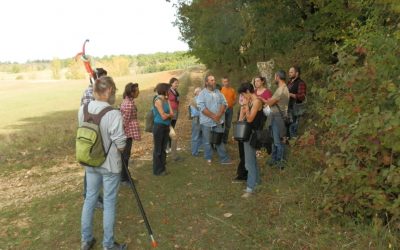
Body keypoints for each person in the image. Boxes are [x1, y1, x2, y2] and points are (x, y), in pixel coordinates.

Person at [79, 76, 127, 250]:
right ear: (107, 91)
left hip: (90, 163)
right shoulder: (113, 113)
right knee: (108, 203)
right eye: (113, 91)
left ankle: (86, 239)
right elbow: (121, 145)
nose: (114, 94)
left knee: (89, 199)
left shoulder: (83, 109)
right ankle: (108, 245)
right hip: (109, 166)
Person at [80, 67, 108, 209]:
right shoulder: (89, 92)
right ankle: (90, 196)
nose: (104, 82)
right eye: (102, 79)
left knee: (97, 165)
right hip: (91, 135)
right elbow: (89, 115)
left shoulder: (98, 93)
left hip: (99, 134)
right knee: (91, 166)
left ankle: (94, 194)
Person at [197, 75, 231, 165]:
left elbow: (224, 103)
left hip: (218, 121)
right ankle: (208, 157)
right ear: (206, 82)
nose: (214, 82)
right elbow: (202, 108)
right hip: (207, 122)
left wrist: (219, 115)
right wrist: (213, 116)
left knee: (219, 140)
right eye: (211, 80)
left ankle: (224, 159)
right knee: (207, 141)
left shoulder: (218, 92)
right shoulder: (202, 94)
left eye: (214, 80)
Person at [238, 82, 264, 198]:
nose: (243, 97)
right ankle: (257, 182)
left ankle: (250, 188)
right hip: (247, 134)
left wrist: (247, 108)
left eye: (243, 94)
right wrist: (243, 106)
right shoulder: (249, 102)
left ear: (248, 91)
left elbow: (249, 119)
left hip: (253, 135)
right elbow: (241, 119)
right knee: (251, 160)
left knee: (249, 162)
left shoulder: (257, 101)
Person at [265, 70, 290, 169]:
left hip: (277, 117)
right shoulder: (284, 88)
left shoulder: (280, 90)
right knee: (275, 140)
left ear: (278, 77)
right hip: (278, 116)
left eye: (275, 76)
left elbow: (270, 103)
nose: (274, 78)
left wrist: (265, 101)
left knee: (278, 141)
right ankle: (274, 159)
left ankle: (280, 162)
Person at [120, 82, 141, 185]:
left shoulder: (129, 101)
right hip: (126, 134)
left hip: (127, 133)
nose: (139, 92)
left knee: (126, 155)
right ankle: (124, 179)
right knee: (125, 156)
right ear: (132, 93)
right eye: (137, 90)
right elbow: (124, 122)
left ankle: (124, 177)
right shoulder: (128, 104)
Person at [153, 83, 174, 175]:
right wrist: (168, 115)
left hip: (166, 126)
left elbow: (172, 114)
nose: (169, 91)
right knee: (158, 149)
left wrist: (168, 114)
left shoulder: (166, 100)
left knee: (163, 148)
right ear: (164, 90)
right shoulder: (157, 100)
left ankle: (163, 168)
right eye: (168, 90)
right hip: (159, 127)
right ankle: (157, 170)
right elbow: (163, 116)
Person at [232, 93, 248, 182]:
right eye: (241, 97)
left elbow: (242, 120)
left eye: (244, 98)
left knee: (245, 155)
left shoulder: (248, 107)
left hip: (245, 133)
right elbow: (239, 121)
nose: (241, 99)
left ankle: (242, 174)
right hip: (241, 133)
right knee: (242, 154)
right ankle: (243, 173)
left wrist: (243, 111)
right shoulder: (242, 108)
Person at [287, 66, 306, 139]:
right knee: (288, 125)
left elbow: (302, 96)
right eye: (289, 72)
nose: (289, 74)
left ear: (297, 73)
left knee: (293, 126)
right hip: (288, 107)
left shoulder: (300, 83)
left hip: (295, 108)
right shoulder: (289, 82)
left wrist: (291, 94)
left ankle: (295, 143)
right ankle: (289, 142)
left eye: (291, 72)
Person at [167, 77, 180, 161]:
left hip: (176, 111)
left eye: (177, 83)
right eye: (175, 83)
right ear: (171, 83)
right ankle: (168, 147)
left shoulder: (176, 91)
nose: (177, 84)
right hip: (171, 112)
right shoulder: (168, 91)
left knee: (172, 128)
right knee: (169, 129)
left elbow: (177, 100)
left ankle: (171, 146)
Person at [220, 77, 237, 144]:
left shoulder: (232, 90)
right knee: (222, 124)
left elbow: (235, 100)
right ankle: (220, 139)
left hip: (230, 109)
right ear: (222, 82)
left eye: (227, 81)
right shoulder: (220, 90)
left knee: (228, 125)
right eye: (224, 81)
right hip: (222, 109)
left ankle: (225, 140)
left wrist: (232, 104)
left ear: (229, 82)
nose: (226, 83)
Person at [190, 87, 203, 156]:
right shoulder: (194, 100)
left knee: (201, 135)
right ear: (197, 93)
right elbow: (196, 112)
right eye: (200, 91)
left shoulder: (200, 99)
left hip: (201, 119)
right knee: (195, 136)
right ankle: (194, 152)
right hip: (197, 119)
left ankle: (198, 149)